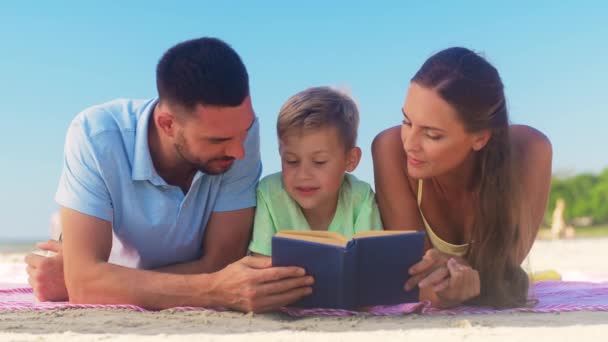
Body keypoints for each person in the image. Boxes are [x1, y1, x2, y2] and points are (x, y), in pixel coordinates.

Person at [24, 37, 313, 312]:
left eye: (244, 130)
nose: (239, 151)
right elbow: (86, 285)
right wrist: (213, 289)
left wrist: (106, 279)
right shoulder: (95, 135)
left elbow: (222, 262)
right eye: (217, 140)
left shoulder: (238, 135)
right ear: (167, 124)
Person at [372, 47, 552, 309]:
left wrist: (458, 282)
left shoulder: (530, 151)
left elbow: (504, 269)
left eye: (432, 135)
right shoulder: (389, 149)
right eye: (407, 121)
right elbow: (415, 276)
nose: (410, 143)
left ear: (480, 137)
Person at [248, 87, 383, 257]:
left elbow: (371, 262)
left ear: (350, 159)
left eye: (319, 162)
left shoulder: (360, 198)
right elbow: (261, 266)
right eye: (291, 161)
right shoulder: (269, 194)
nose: (303, 175)